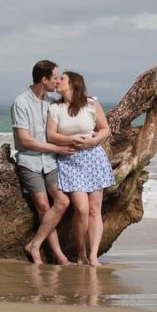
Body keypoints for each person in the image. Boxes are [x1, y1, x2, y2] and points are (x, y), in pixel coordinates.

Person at [46, 71, 115, 266]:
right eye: (57, 79)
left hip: (93, 158)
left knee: (95, 209)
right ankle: (81, 252)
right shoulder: (55, 108)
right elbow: (51, 136)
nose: (57, 81)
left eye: (62, 79)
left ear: (74, 84)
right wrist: (70, 140)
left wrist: (93, 140)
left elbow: (105, 129)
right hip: (70, 160)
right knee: (82, 209)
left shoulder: (91, 103)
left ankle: (92, 256)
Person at [12, 60, 76, 265]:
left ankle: (35, 244)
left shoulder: (52, 103)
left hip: (50, 161)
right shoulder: (20, 103)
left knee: (63, 201)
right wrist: (57, 148)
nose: (58, 81)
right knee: (42, 206)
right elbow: (24, 140)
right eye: (55, 77)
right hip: (29, 161)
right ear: (44, 79)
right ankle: (58, 255)